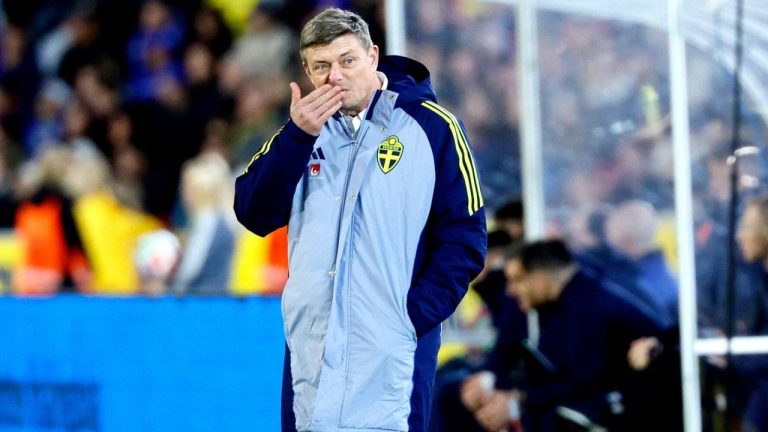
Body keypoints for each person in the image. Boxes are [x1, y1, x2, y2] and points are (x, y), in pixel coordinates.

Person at [233, 8, 487, 432]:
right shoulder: (301, 132)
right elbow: (253, 214)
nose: (335, 77)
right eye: (322, 66)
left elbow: (467, 237)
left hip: (394, 349)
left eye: (347, 61)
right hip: (311, 346)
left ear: (372, 56)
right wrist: (297, 136)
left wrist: (410, 317)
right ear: (307, 72)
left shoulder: (433, 127)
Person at [466, 239, 664, 432]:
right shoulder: (568, 301)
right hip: (614, 399)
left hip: (638, 408)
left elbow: (584, 381)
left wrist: (519, 400)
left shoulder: (588, 306)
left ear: (540, 277)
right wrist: (506, 389)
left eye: (516, 280)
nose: (510, 291)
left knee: (553, 415)